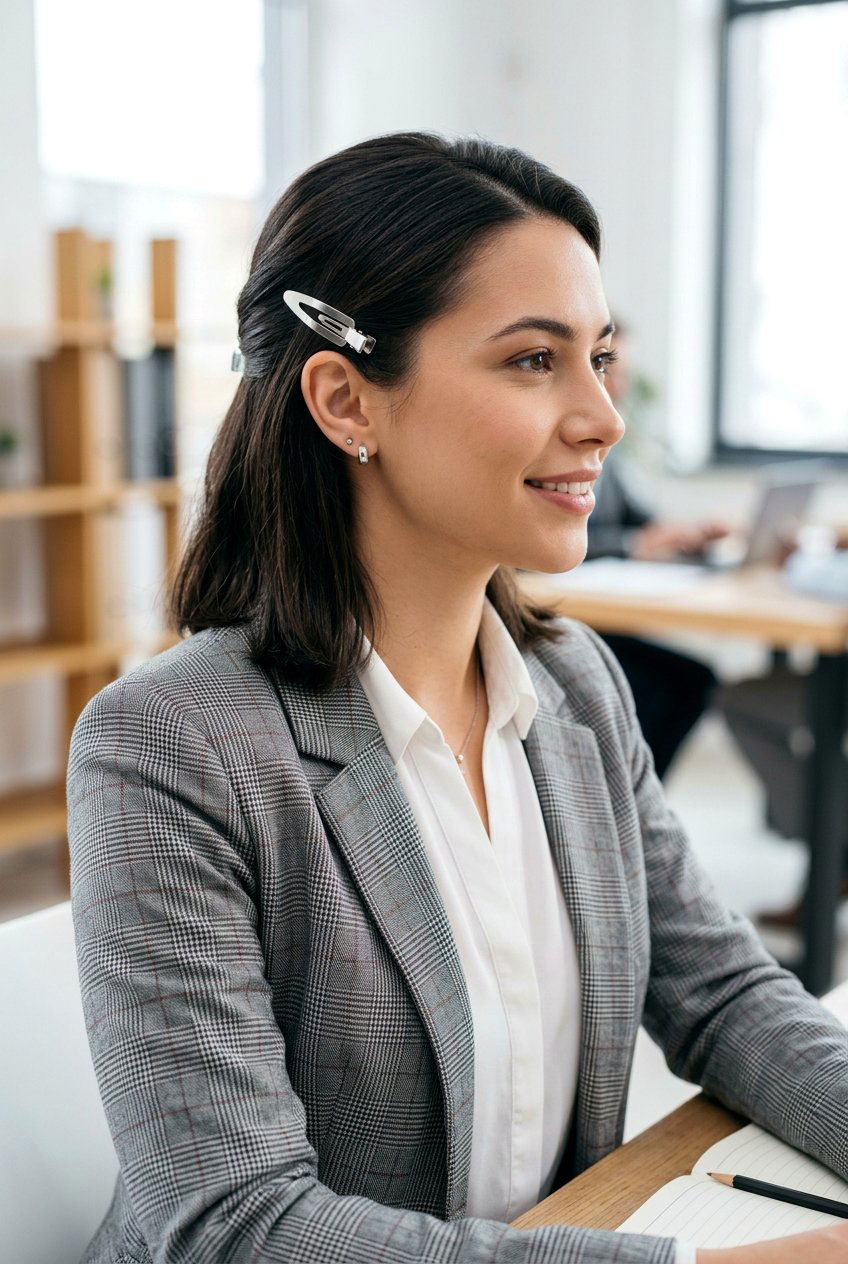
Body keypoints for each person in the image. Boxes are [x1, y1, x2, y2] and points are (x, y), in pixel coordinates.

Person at [66, 131, 847, 1264]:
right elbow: (237, 1228)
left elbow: (723, 995)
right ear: (346, 401)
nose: (600, 416)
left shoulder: (574, 685)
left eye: (598, 354)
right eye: (533, 360)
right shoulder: (171, 747)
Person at [585, 316, 730, 779]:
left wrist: (684, 535)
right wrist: (631, 546)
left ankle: (639, 801)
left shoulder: (609, 454)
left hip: (601, 613)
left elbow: (643, 523)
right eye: (605, 366)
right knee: (663, 683)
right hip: (567, 613)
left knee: (693, 679)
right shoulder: (566, 442)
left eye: (614, 366)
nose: (617, 384)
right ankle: (622, 794)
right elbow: (544, 538)